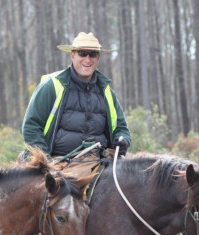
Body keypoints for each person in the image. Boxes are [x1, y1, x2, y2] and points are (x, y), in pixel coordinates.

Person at [22, 32, 131, 168]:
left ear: (98, 57)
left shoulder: (107, 92)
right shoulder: (52, 86)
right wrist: (46, 162)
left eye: (92, 54)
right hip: (58, 163)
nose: (87, 59)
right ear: (72, 55)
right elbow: (31, 127)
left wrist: (123, 141)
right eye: (82, 53)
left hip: (99, 163)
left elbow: (121, 129)